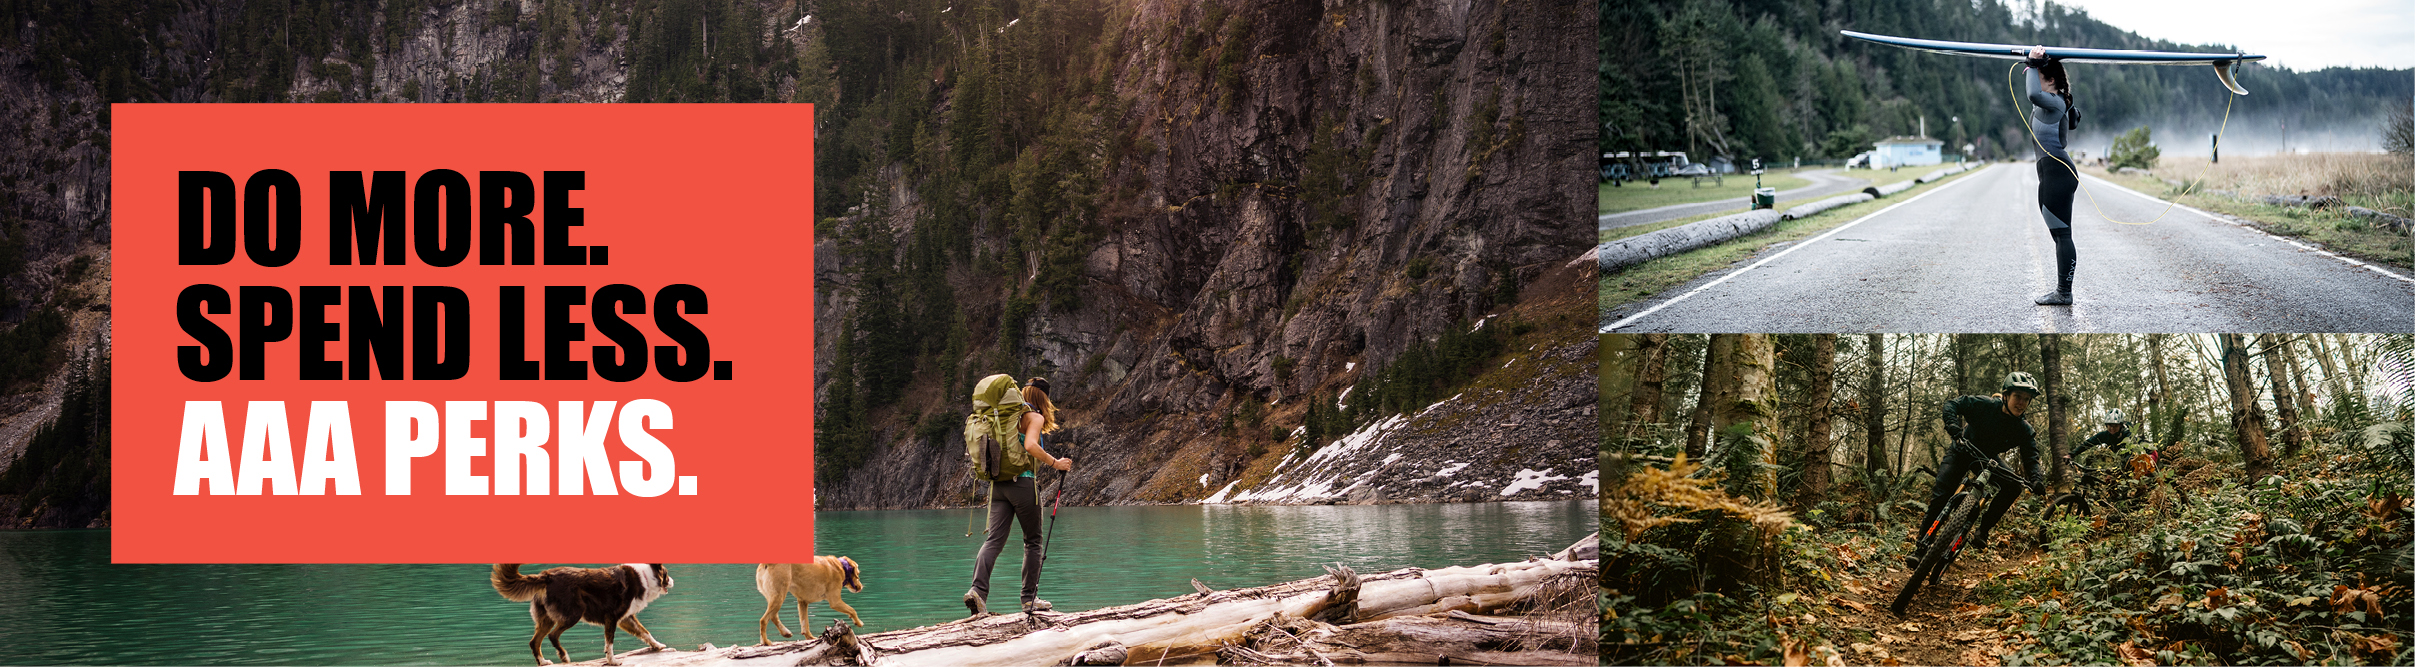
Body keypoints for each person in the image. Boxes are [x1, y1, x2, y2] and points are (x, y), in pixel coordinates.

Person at [1909, 372, 2046, 565]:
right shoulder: (1985, 405)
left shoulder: (2024, 429)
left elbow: (2031, 457)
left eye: (2026, 399)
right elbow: (1952, 404)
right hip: (1962, 450)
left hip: (1987, 459)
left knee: (2014, 486)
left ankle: (1983, 530)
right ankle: (1921, 547)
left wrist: (2036, 479)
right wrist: (1953, 427)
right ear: (2006, 395)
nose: (2021, 403)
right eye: (2018, 397)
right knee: (1941, 496)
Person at [964, 377, 1073, 616]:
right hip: (1023, 484)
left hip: (998, 486)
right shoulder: (1033, 417)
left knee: (994, 540)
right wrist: (1056, 463)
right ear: (1044, 398)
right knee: (1032, 541)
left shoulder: (1004, 416)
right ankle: (1029, 599)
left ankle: (977, 591)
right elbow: (1031, 445)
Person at [2015, 45, 2084, 306]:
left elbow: (2033, 94)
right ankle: (2062, 291)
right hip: (2054, 173)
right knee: (2059, 234)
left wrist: (2033, 64)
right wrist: (2034, 66)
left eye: (2041, 77)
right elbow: (2073, 119)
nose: (2035, 81)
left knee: (2062, 234)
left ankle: (2063, 293)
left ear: (2051, 80)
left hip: (2057, 173)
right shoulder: (2059, 103)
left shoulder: (2053, 103)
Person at [2064, 410, 2130, 468]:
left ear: (2120, 425)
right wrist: (2071, 455)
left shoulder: (2128, 435)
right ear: (2106, 425)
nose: (2112, 428)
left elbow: (2131, 454)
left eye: (2115, 425)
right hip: (2117, 463)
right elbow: (2087, 444)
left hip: (2130, 464)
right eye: (2110, 425)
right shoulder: (2105, 435)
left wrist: (2120, 467)